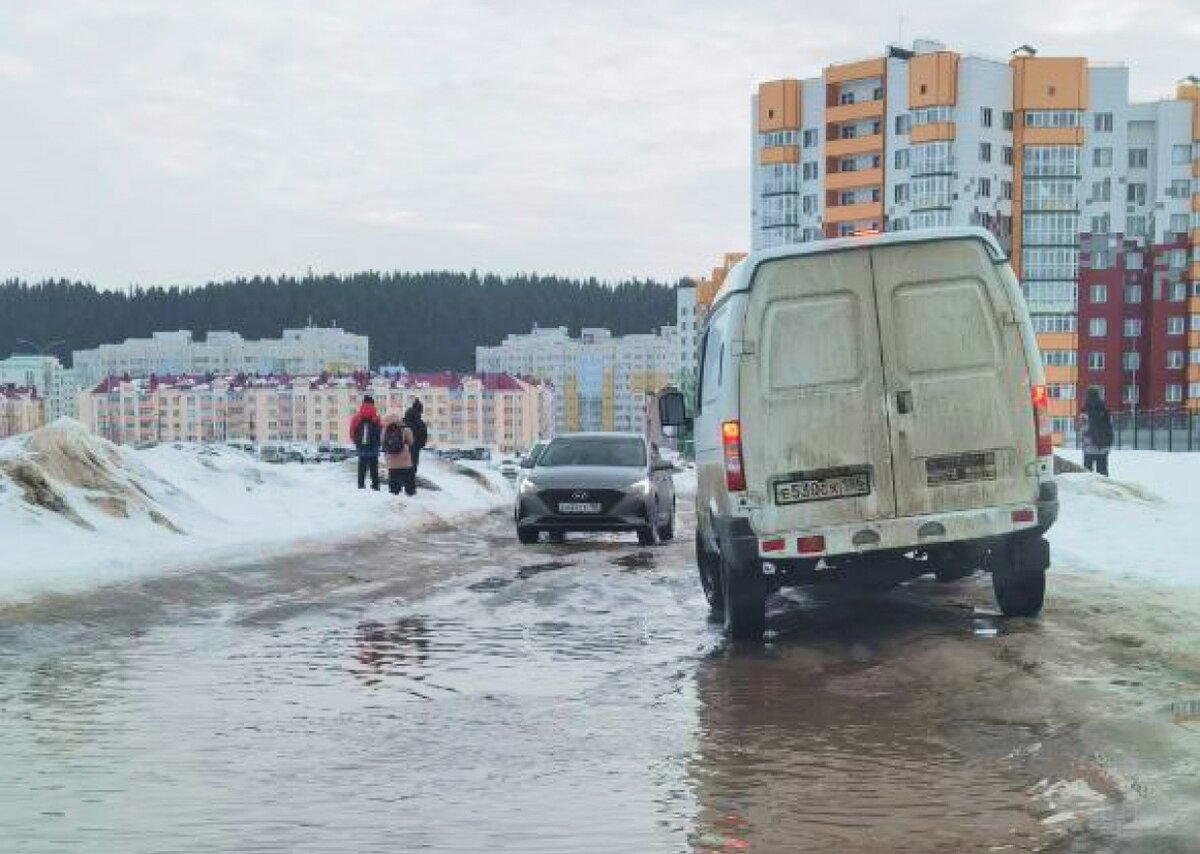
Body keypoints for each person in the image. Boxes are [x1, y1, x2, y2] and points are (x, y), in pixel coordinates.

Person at [349, 395, 383, 490]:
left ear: (363, 403)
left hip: (361, 447)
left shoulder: (356, 418)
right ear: (373, 404)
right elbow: (381, 433)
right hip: (374, 448)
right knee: (374, 469)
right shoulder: (376, 418)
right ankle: (375, 486)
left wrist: (356, 442)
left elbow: (352, 432)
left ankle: (361, 486)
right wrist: (378, 444)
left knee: (361, 468)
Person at [1079, 388, 1114, 476]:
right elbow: (1109, 426)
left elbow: (1084, 430)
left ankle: (1089, 489)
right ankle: (1104, 488)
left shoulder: (1085, 411)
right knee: (1102, 472)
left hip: (1089, 448)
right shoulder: (1104, 410)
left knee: (1087, 474)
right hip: (1103, 447)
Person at [381, 412, 417, 496]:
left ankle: (394, 495)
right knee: (409, 479)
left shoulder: (384, 430)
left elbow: (382, 442)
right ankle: (410, 494)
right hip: (404, 460)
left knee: (393, 481)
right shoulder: (405, 429)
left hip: (391, 460)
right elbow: (411, 442)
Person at [403, 399, 429, 489]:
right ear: (419, 411)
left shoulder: (404, 421)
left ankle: (404, 487)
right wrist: (419, 446)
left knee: (404, 467)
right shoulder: (420, 423)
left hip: (403, 449)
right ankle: (410, 489)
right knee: (412, 468)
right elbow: (424, 437)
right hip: (414, 449)